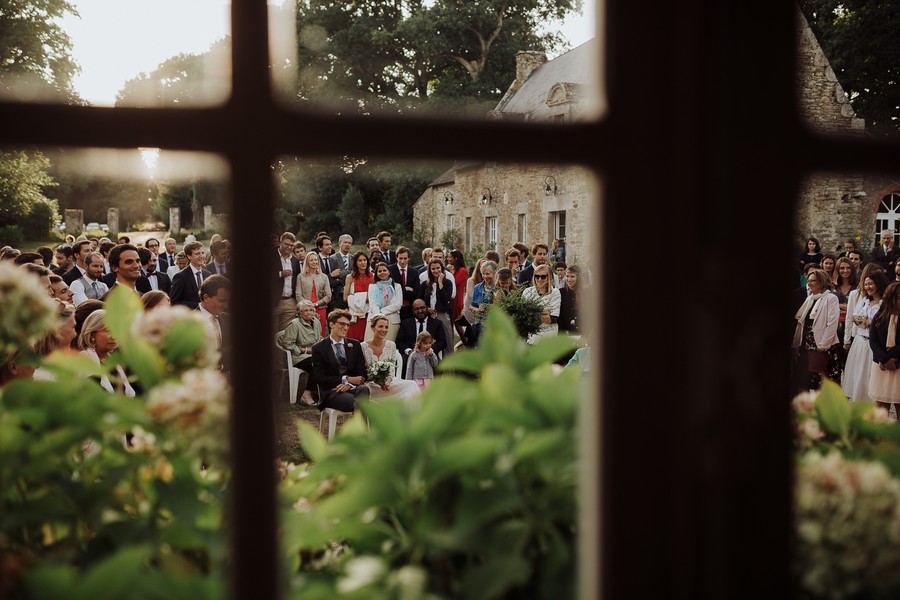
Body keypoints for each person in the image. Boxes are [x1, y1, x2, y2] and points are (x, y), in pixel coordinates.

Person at [310, 309, 370, 412]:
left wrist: (348, 384)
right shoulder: (319, 348)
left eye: (347, 325)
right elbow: (320, 378)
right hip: (331, 391)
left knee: (364, 389)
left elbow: (362, 373)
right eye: (342, 324)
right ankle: (362, 428)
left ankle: (358, 427)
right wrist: (346, 379)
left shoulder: (355, 345)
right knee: (359, 402)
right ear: (331, 325)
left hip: (352, 388)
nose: (346, 328)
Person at [842, 270, 889, 401]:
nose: (867, 287)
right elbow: (855, 315)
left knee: (871, 376)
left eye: (871, 284)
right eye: (866, 284)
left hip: (874, 344)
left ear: (879, 284)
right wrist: (858, 319)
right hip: (859, 342)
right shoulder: (864, 301)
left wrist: (873, 322)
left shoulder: (885, 304)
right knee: (858, 375)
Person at [792, 268, 841, 391]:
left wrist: (822, 346)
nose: (809, 283)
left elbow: (832, 324)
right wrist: (796, 344)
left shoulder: (831, 298)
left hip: (820, 346)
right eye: (808, 280)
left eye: (812, 280)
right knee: (803, 383)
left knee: (821, 385)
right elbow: (801, 323)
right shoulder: (810, 299)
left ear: (822, 282)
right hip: (805, 346)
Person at [361, 315, 420, 404]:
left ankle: (412, 416)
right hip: (371, 385)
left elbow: (391, 368)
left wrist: (388, 381)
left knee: (412, 385)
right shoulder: (362, 346)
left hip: (389, 383)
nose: (384, 330)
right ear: (373, 328)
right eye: (380, 326)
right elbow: (362, 371)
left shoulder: (391, 345)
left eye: (386, 327)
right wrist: (377, 381)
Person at [77, 310, 135, 396]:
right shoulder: (84, 359)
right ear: (92, 334)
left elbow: (130, 394)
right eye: (108, 331)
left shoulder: (111, 359)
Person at [280, 299, 322, 404]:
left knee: (330, 361)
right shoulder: (294, 324)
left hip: (314, 354)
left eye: (311, 310)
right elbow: (287, 343)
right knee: (317, 364)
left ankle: (320, 392)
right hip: (299, 356)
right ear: (299, 313)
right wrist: (305, 350)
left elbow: (319, 338)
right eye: (306, 310)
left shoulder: (316, 322)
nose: (309, 313)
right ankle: (306, 393)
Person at [869, 282, 900, 419]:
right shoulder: (880, 315)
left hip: (898, 363)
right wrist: (883, 358)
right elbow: (873, 339)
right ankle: (879, 438)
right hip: (881, 365)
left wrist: (891, 358)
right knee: (881, 405)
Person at [396, 299, 447, 377]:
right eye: (416, 309)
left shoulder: (436, 324)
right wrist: (409, 351)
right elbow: (399, 342)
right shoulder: (405, 324)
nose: (420, 311)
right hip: (411, 355)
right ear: (413, 311)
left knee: (436, 362)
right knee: (405, 360)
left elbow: (442, 342)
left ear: (427, 308)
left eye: (422, 308)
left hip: (429, 354)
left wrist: (430, 350)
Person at [418, 258, 454, 355]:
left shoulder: (447, 283)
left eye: (438, 268)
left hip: (442, 314)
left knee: (448, 340)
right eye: (433, 269)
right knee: (429, 341)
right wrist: (426, 308)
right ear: (429, 270)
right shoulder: (424, 284)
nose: (436, 271)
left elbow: (446, 299)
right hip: (429, 316)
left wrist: (440, 283)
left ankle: (450, 368)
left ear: (442, 268)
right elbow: (419, 300)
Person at [522, 263, 562, 344]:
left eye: (543, 276)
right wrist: (544, 311)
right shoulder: (527, 292)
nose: (539, 279)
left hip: (549, 338)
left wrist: (532, 312)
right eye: (537, 276)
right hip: (532, 339)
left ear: (549, 277)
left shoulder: (555, 292)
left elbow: (553, 318)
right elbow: (524, 316)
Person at [296, 251, 331, 335]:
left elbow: (328, 295)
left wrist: (315, 305)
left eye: (316, 260)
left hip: (320, 309)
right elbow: (298, 295)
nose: (314, 262)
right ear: (307, 262)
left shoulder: (324, 276)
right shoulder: (301, 276)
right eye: (311, 260)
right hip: (305, 310)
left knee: (320, 332)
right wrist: (307, 307)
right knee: (306, 333)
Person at [367, 262, 402, 341]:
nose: (382, 272)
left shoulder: (397, 286)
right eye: (379, 271)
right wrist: (378, 316)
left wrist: (381, 312)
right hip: (375, 319)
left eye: (384, 270)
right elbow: (373, 304)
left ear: (389, 272)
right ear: (376, 273)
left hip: (392, 321)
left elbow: (398, 304)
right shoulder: (372, 287)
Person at [273, 232, 301, 332]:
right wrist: (280, 274)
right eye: (286, 244)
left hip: (290, 302)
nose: (289, 247)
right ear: (281, 242)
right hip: (274, 301)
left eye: (291, 245)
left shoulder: (295, 260)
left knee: (285, 333)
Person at [169, 241, 210, 307]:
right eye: (197, 254)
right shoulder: (180, 277)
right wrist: (199, 305)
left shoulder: (208, 275)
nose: (201, 256)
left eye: (202, 253)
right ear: (189, 256)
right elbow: (175, 301)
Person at [343, 251, 373, 341]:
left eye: (364, 260)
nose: (363, 262)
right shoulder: (350, 277)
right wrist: (362, 299)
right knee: (353, 339)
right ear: (355, 263)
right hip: (354, 313)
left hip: (368, 312)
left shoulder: (373, 276)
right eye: (360, 260)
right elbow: (345, 297)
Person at [470, 260, 498, 345]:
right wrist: (478, 309)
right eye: (483, 274)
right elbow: (471, 306)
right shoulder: (477, 287)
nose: (485, 276)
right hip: (479, 324)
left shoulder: (498, 287)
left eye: (488, 274)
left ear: (494, 273)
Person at [389, 246, 416, 320]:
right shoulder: (390, 270)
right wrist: (405, 289)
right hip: (394, 308)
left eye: (405, 258)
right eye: (400, 258)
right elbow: (391, 290)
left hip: (409, 309)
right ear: (396, 258)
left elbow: (416, 292)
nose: (403, 261)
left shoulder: (414, 272)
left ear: (408, 258)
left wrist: (400, 290)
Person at [558, 264, 584, 335]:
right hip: (565, 336)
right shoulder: (561, 293)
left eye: (572, 276)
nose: (569, 279)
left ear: (578, 278)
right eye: (567, 276)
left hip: (581, 335)